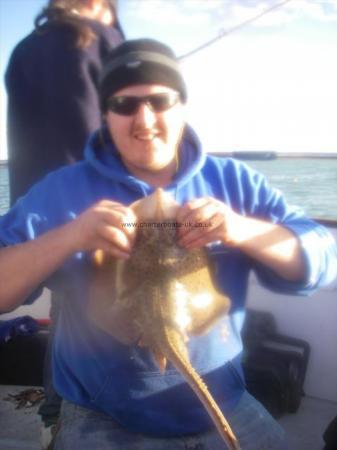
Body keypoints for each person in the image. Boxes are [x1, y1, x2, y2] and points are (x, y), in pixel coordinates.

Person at [0, 38, 336, 450]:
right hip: (103, 414)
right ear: (105, 114)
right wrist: (72, 235)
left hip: (225, 400)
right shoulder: (62, 191)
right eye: (124, 104)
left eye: (160, 100)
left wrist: (239, 229)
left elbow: (323, 258)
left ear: (182, 106)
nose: (145, 119)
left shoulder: (233, 181)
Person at [4, 1, 124, 447]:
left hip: (38, 224)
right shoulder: (100, 41)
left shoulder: (24, 51)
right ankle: (75, 419)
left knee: (66, 310)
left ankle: (52, 419)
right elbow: (111, 138)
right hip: (96, 218)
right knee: (97, 321)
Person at [5, 0, 124, 205]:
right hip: (99, 212)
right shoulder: (103, 39)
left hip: (32, 216)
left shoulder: (20, 52)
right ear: (95, 2)